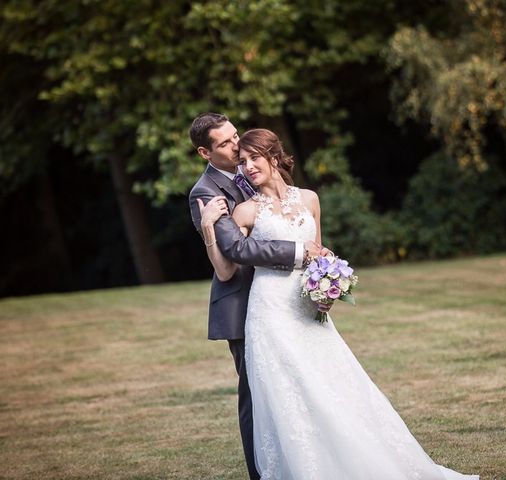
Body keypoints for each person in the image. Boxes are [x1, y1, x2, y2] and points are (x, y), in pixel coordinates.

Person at [203, 128, 479, 479]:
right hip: (269, 312)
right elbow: (227, 268)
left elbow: (319, 255)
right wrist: (211, 229)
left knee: (334, 384)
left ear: (273, 157)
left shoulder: (310, 200)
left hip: (306, 310)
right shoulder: (245, 211)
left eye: (254, 158)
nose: (248, 167)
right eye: (242, 162)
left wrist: (328, 287)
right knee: (289, 392)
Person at [188, 113, 326, 480]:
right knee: (257, 397)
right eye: (225, 143)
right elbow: (236, 253)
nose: (237, 147)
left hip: (289, 301)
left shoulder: (255, 173)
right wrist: (301, 252)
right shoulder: (206, 194)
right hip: (246, 306)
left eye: (236, 137)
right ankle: (260, 473)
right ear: (205, 151)